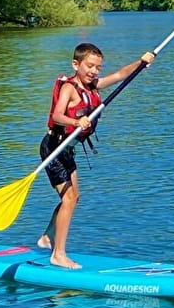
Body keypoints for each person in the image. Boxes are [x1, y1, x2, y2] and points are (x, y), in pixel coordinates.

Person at [38, 43, 154, 269]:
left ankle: (47, 237)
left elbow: (121, 75)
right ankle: (58, 254)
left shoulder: (93, 87)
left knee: (73, 197)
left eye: (97, 67)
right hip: (54, 148)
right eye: (89, 66)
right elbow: (58, 115)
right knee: (69, 199)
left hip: (68, 149)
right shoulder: (69, 88)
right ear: (76, 64)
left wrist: (141, 62)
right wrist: (76, 122)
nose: (94, 71)